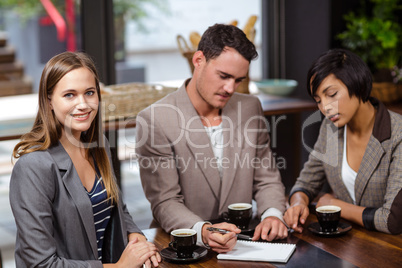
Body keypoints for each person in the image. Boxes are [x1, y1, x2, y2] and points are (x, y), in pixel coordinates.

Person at [136, 23, 288, 253]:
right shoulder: (155, 119)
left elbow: (266, 178)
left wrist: (273, 215)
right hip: (184, 246)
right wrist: (204, 231)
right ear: (198, 60)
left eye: (238, 80)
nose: (230, 88)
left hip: (244, 242)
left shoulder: (250, 107)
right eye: (224, 76)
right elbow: (165, 202)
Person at [10, 51, 161, 267]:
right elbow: (41, 264)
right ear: (49, 100)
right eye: (69, 95)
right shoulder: (33, 167)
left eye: (89, 93)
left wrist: (134, 235)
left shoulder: (98, 148)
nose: (83, 104)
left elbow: (116, 206)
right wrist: (119, 267)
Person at [284, 48, 402, 234]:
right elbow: (306, 182)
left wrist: (336, 205)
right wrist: (298, 203)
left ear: (359, 85)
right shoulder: (330, 129)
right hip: (349, 244)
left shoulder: (398, 134)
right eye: (318, 100)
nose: (325, 108)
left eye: (331, 95)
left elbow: (393, 220)